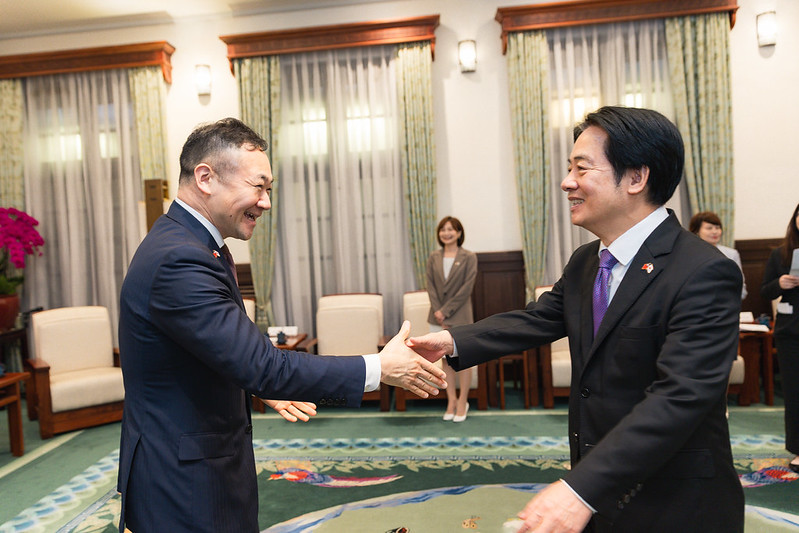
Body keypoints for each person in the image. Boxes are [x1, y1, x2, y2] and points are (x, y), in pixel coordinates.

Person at [409, 106, 744, 533]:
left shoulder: (702, 270)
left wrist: (581, 488)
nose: (567, 182)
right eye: (569, 168)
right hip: (598, 492)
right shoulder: (589, 260)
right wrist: (450, 341)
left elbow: (680, 397)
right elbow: (539, 320)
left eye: (582, 169)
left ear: (636, 178)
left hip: (674, 501)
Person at [116, 118, 447, 533]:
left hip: (194, 461)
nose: (267, 202)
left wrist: (253, 379)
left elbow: (211, 348)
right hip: (184, 481)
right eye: (259, 186)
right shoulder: (180, 259)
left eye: (269, 190)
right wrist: (379, 368)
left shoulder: (191, 244)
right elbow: (263, 366)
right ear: (206, 177)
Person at [426, 216, 478, 422]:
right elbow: (430, 286)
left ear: (458, 233)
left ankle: (463, 400)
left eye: (451, 229)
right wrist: (439, 312)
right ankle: (451, 400)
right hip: (436, 317)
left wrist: (446, 311)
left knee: (463, 361)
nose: (446, 233)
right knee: (445, 361)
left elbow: (467, 288)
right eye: (442, 230)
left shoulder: (469, 257)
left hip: (460, 315)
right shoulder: (433, 257)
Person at [760, 202, 799, 473]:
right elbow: (765, 291)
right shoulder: (780, 254)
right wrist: (780, 284)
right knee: (796, 393)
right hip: (790, 331)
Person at [689, 211, 748, 299]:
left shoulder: (731, 254)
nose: (715, 231)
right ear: (696, 231)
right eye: (709, 228)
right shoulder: (690, 254)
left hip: (727, 303)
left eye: (717, 228)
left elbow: (740, 285)